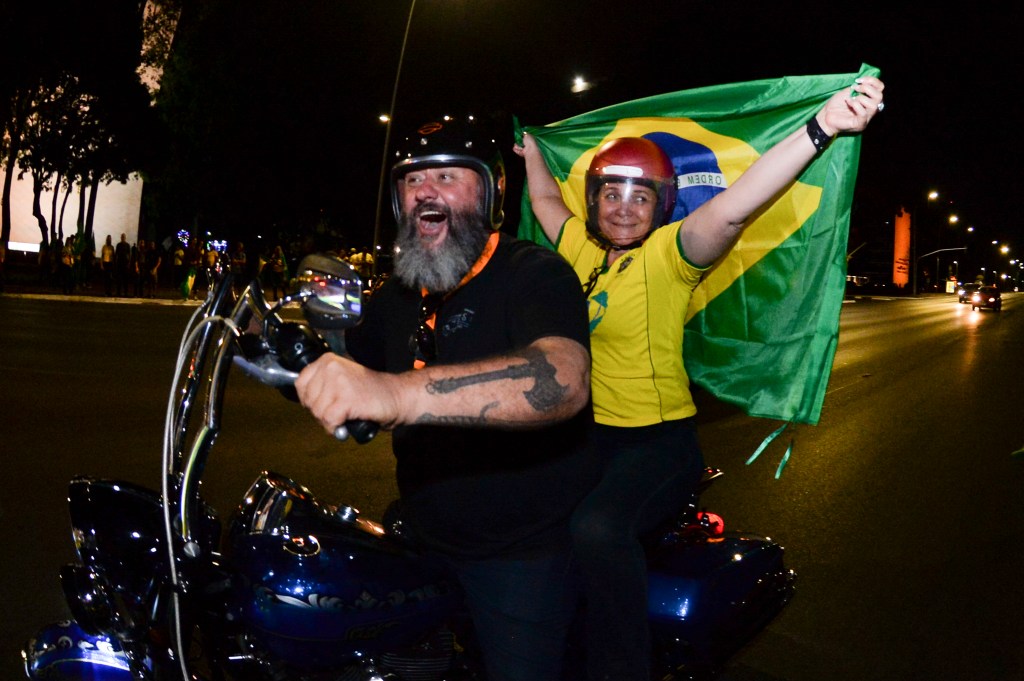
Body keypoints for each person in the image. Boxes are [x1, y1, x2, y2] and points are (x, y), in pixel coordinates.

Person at [514, 75, 885, 680]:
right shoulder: (577, 249)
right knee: (514, 517)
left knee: (598, 529)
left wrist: (822, 128)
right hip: (586, 438)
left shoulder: (671, 255)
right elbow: (542, 201)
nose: (624, 207)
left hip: (657, 444)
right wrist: (533, 152)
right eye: (612, 193)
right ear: (594, 199)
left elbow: (739, 203)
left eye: (641, 196)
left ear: (661, 205)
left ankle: (622, 668)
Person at [294, 115, 599, 681]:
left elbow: (562, 378)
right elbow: (348, 367)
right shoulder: (399, 294)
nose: (425, 192)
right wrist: (275, 348)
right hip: (422, 531)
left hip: (518, 552)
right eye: (413, 180)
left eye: (448, 176)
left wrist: (397, 393)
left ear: (491, 192)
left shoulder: (534, 274)